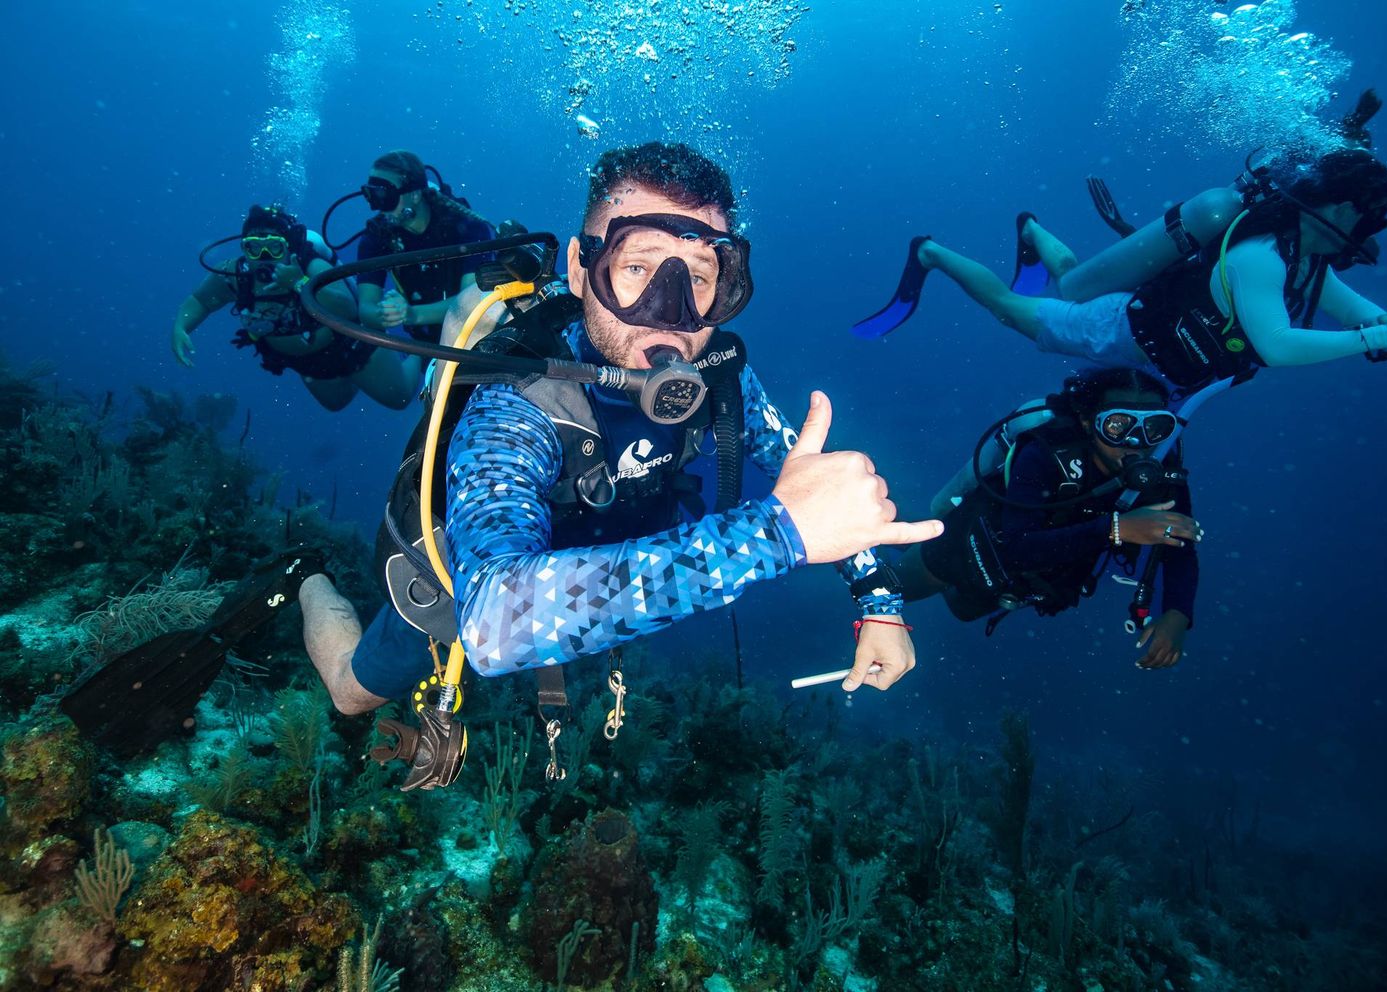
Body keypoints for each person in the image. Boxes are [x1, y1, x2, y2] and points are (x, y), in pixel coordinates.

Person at [288, 141, 942, 724]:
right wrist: (776, 536)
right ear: (579, 269)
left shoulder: (720, 379)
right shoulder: (514, 403)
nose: (671, 313)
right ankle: (304, 574)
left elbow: (815, 483)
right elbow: (491, 622)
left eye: (701, 279)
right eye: (637, 268)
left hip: (599, 569)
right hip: (460, 566)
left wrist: (879, 601)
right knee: (352, 694)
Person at [908, 149, 1387, 390]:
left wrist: (1385, 327)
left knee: (1073, 281)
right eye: (1372, 217)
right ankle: (930, 251)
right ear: (1344, 210)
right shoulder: (1260, 257)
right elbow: (1277, 346)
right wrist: (1377, 334)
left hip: (1161, 360)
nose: (1371, 230)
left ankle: (1031, 230)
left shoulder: (1305, 258)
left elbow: (1352, 310)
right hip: (1118, 331)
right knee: (1010, 309)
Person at [899, 368, 1200, 669]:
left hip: (1018, 584)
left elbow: (1180, 546)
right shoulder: (1045, 454)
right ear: (1087, 421)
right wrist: (1116, 529)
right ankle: (891, 533)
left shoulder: (1161, 473)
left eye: (1155, 427)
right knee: (893, 591)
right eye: (1118, 425)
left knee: (961, 610)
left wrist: (1178, 613)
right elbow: (1017, 548)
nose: (1137, 441)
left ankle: (907, 532)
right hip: (962, 548)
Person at [171, 204, 422, 411]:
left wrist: (299, 283)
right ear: (244, 249)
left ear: (288, 247)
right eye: (254, 248)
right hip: (307, 362)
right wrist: (181, 326)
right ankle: (368, 371)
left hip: (351, 344)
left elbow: (346, 307)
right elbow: (201, 301)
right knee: (336, 403)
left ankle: (420, 351)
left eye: (274, 246)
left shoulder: (310, 266)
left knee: (399, 398)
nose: (265, 256)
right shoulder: (234, 276)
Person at [353, 149, 513, 346]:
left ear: (414, 194)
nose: (380, 207)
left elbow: (473, 304)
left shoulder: (467, 227)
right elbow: (366, 308)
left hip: (479, 336)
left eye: (385, 196)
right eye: (373, 196)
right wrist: (385, 313)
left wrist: (413, 315)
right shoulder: (376, 237)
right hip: (426, 344)